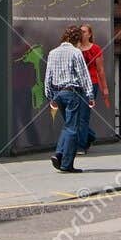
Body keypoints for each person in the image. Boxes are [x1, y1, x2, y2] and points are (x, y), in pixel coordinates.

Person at [44, 26, 94, 173]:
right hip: (72, 93)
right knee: (73, 129)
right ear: (77, 39)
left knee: (68, 126)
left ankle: (59, 154)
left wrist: (50, 97)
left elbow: (48, 77)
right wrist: (90, 95)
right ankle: (66, 164)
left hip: (58, 94)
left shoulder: (53, 53)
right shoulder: (75, 52)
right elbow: (83, 75)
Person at [77, 24, 109, 154]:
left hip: (91, 84)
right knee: (76, 115)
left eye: (84, 32)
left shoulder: (95, 49)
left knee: (84, 115)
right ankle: (90, 136)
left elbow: (100, 70)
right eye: (80, 31)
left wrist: (105, 88)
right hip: (77, 84)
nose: (82, 33)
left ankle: (81, 146)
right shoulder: (75, 48)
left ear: (90, 34)